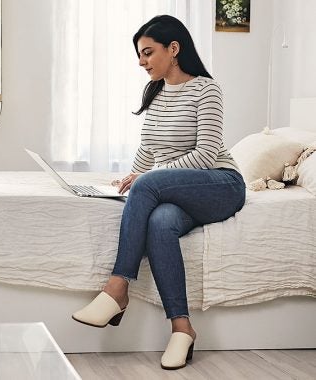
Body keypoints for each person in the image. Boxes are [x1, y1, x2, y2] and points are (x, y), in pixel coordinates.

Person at [71, 15, 246, 370]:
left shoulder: (206, 89)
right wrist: (126, 181)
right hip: (177, 193)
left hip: (220, 185)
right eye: (139, 54)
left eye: (148, 52)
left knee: (150, 183)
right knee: (160, 222)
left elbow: (206, 154)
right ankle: (182, 329)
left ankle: (117, 288)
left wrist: (148, 178)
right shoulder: (155, 92)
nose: (141, 61)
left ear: (174, 48)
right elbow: (148, 154)